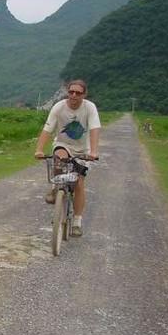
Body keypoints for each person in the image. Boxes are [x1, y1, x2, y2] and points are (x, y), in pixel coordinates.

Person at [34, 79, 100, 237]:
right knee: (59, 159)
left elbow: (94, 129)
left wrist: (94, 151)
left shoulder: (90, 108)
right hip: (63, 144)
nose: (74, 95)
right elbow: (47, 129)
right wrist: (39, 150)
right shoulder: (59, 107)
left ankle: (77, 221)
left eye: (78, 93)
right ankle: (55, 187)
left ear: (84, 94)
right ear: (67, 93)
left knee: (79, 184)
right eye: (71, 92)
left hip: (82, 149)